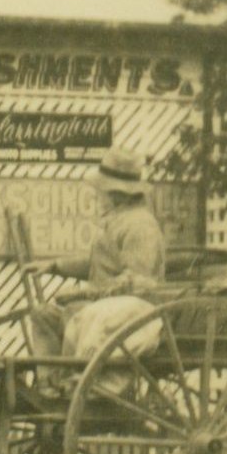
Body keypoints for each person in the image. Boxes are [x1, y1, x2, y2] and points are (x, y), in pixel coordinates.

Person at [24, 146, 166, 389]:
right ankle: (49, 385)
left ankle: (76, 385)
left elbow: (136, 282)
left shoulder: (141, 226)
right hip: (103, 307)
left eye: (101, 191)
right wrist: (54, 266)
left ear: (117, 193)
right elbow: (98, 261)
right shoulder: (118, 220)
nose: (98, 196)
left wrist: (84, 293)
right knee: (43, 315)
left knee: (74, 311)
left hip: (130, 315)